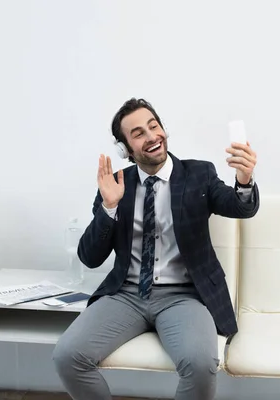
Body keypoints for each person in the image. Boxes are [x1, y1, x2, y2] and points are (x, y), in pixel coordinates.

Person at [53, 98, 260, 400]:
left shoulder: (198, 174)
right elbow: (90, 257)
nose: (151, 136)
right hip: (127, 295)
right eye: (138, 133)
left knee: (201, 365)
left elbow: (240, 207)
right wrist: (109, 208)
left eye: (153, 126)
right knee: (67, 357)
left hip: (183, 296)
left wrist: (244, 179)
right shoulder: (115, 186)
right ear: (126, 149)